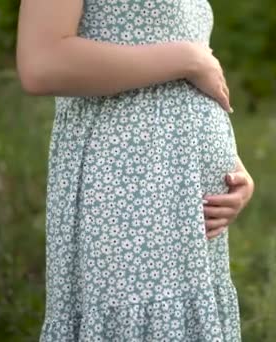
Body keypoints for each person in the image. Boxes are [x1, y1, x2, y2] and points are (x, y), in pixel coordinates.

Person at [16, 0, 255, 340]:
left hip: (187, 209)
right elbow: (41, 62)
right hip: (128, 192)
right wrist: (188, 58)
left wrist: (234, 168)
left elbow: (186, 76)